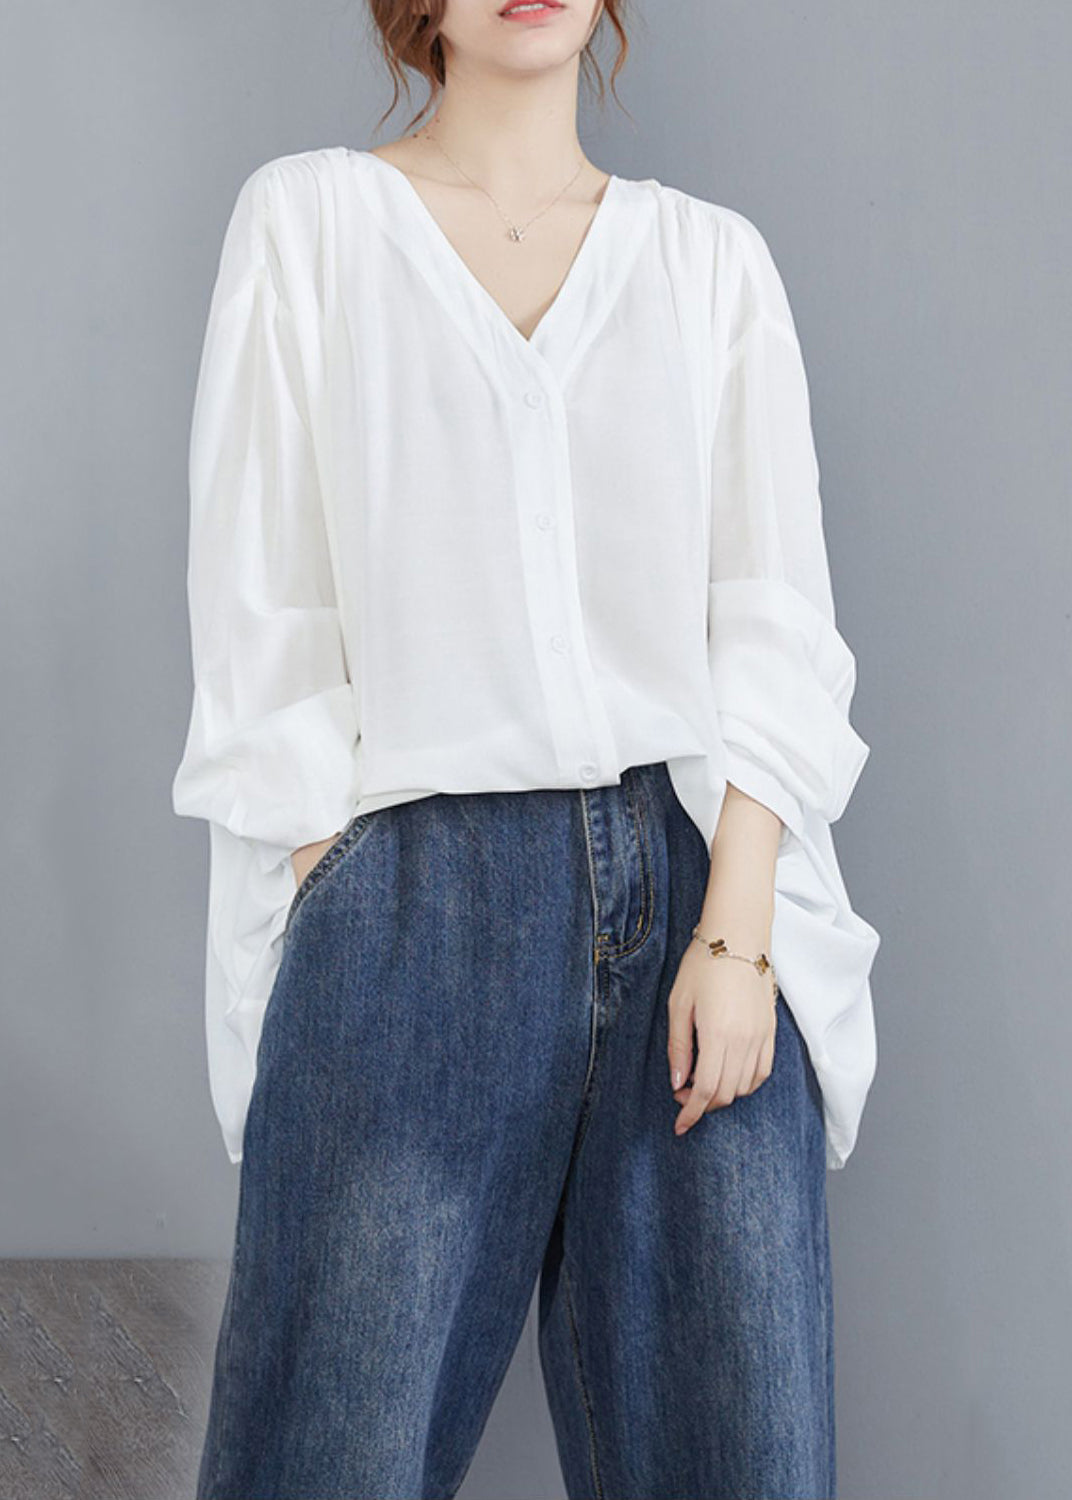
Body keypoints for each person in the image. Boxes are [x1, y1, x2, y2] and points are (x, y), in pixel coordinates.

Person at [171, 2, 880, 1496]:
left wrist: (739, 929)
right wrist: (348, 904)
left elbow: (774, 614)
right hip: (411, 896)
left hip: (701, 901)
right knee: (332, 1459)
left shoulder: (708, 265)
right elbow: (264, 613)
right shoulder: (312, 226)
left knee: (740, 1463)